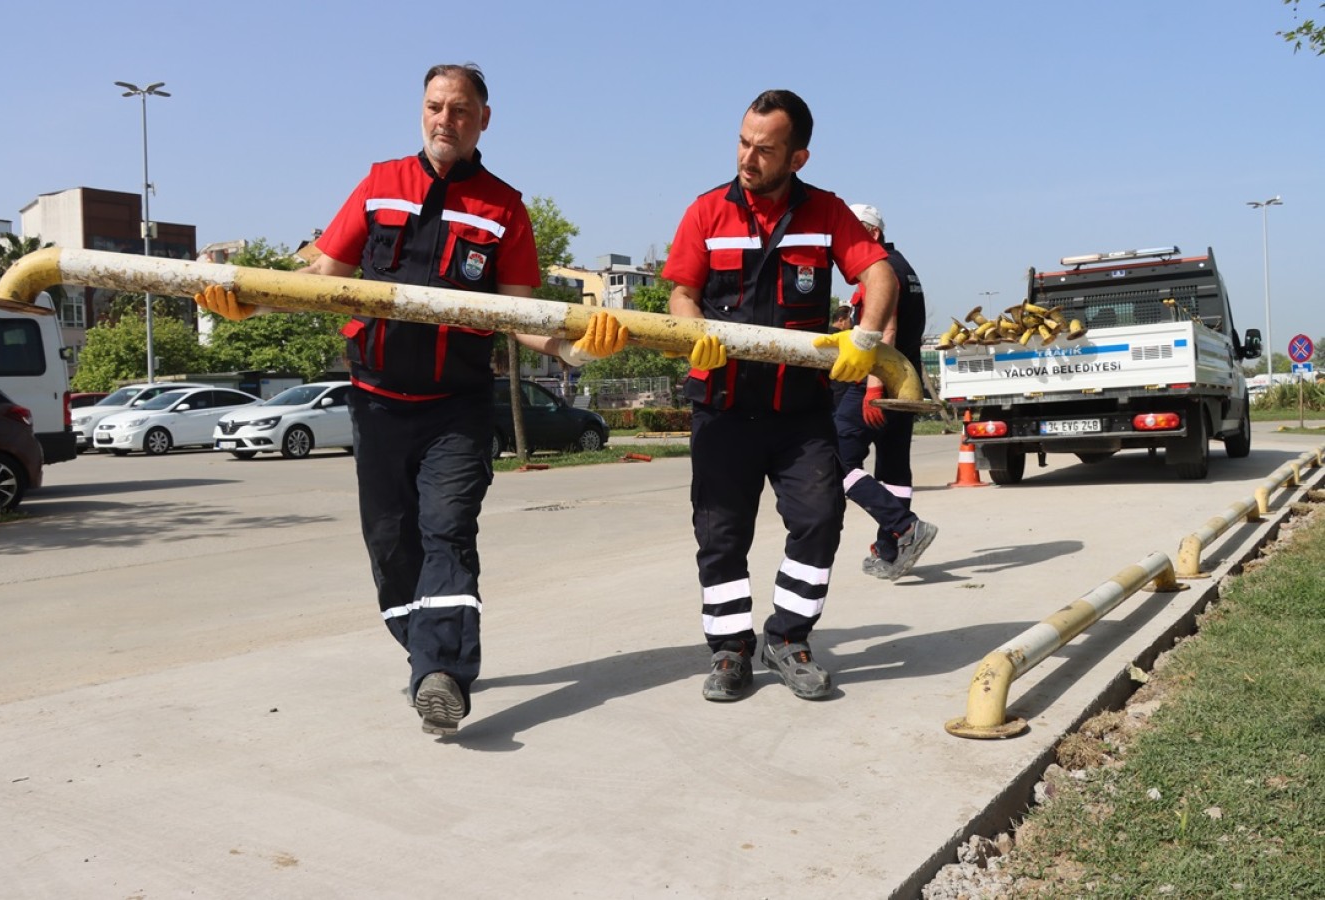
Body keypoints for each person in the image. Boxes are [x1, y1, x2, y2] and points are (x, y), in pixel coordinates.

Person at [194, 63, 626, 737]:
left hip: (456, 405)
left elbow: (523, 314)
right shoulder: (379, 184)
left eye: (459, 109)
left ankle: (441, 674)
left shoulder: (504, 207)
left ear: (484, 120)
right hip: (375, 403)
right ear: (420, 112)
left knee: (447, 530)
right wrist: (244, 299)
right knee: (391, 546)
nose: (444, 120)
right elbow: (321, 277)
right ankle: (427, 653)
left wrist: (578, 348)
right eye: (433, 106)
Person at [659, 88, 899, 703]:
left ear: (798, 158)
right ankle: (730, 649)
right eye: (743, 142)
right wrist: (695, 334)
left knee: (820, 521)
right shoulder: (706, 212)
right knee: (720, 534)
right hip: (722, 406)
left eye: (765, 149)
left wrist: (866, 339)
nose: (747, 158)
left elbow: (879, 274)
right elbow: (681, 293)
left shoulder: (825, 213)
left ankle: (788, 638)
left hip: (799, 414)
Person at [833, 204, 937, 581]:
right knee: (893, 467)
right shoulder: (905, 266)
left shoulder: (884, 270)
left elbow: (885, 332)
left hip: (876, 383)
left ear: (872, 233)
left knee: (836, 461)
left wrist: (872, 390)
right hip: (904, 385)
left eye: (852, 234)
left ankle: (903, 526)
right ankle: (893, 552)